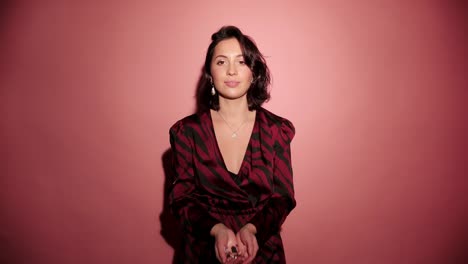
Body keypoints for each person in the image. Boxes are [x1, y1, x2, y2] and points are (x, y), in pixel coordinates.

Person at [169, 25, 296, 264]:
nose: (231, 71)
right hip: (202, 252)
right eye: (221, 62)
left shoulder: (277, 130)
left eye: (241, 62)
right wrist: (217, 230)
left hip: (262, 251)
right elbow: (180, 199)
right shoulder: (186, 132)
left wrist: (251, 229)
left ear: (254, 72)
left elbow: (283, 198)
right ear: (210, 74)